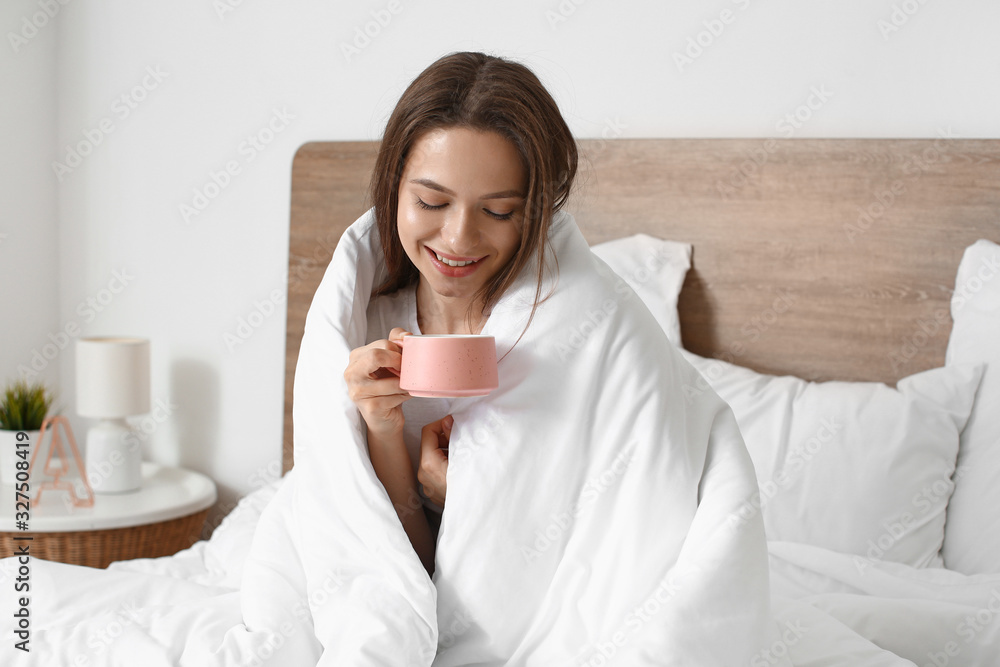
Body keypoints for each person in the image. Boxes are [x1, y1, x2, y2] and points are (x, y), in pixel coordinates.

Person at [343, 51, 577, 576]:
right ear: (393, 190)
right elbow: (402, 572)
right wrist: (383, 430)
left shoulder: (568, 328)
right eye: (431, 202)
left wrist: (474, 505)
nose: (458, 238)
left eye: (498, 211)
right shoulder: (366, 327)